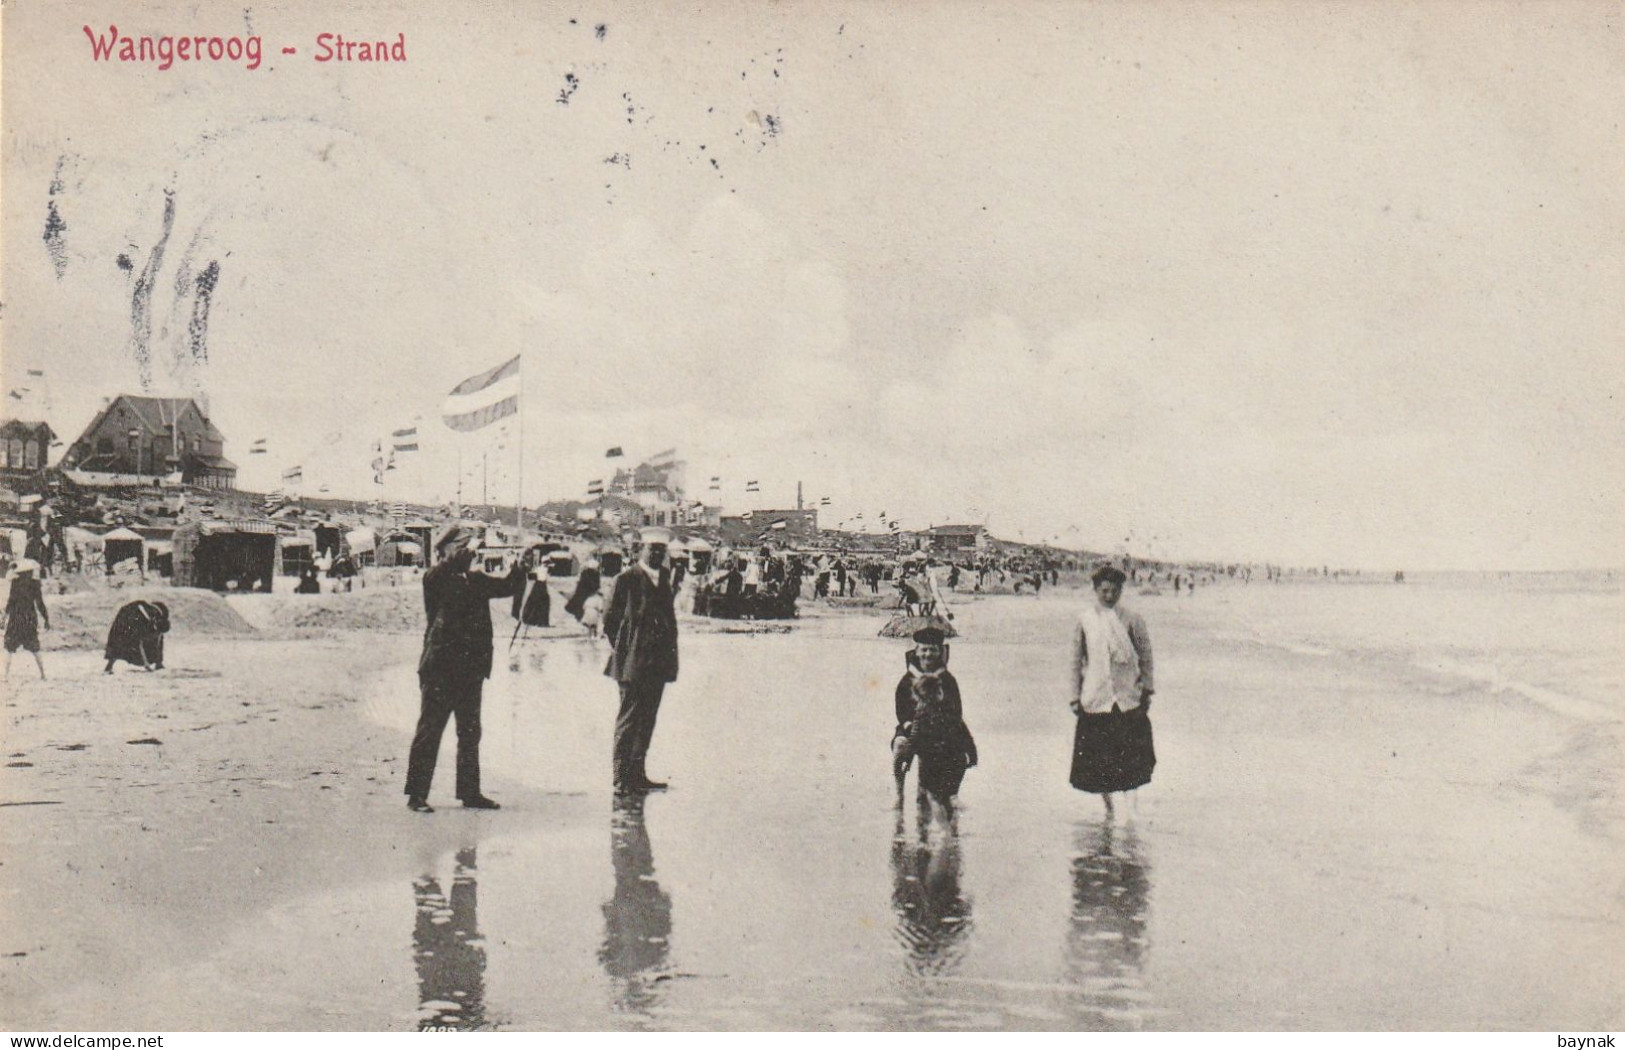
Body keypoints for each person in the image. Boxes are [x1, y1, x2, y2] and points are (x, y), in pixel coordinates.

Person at [404, 525, 520, 813]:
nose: (469, 551)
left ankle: (470, 792)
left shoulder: (476, 579)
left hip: (470, 671)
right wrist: (462, 554)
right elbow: (445, 570)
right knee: (430, 731)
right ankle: (416, 795)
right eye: (461, 546)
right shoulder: (435, 577)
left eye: (469, 546)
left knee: (470, 733)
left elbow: (507, 587)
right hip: (440, 669)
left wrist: (522, 567)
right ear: (444, 551)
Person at [1069, 565, 1155, 816]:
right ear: (1096, 590)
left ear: (1121, 591)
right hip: (1096, 698)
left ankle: (1131, 808)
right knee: (1099, 760)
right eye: (1104, 591)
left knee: (1131, 758)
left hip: (1127, 697)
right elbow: (1075, 660)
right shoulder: (1085, 620)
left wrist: (1147, 688)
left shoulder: (1132, 619)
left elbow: (1146, 656)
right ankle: (1109, 809)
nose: (1109, 596)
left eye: (1114, 591)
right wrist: (1074, 696)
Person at [603, 526, 680, 796]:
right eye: (652, 549)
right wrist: (625, 651)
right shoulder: (627, 579)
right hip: (632, 665)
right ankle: (621, 779)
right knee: (628, 721)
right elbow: (610, 620)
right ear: (641, 550)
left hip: (657, 665)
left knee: (647, 720)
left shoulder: (664, 579)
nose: (657, 554)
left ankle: (638, 775)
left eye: (662, 550)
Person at [891, 626, 977, 813]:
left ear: (939, 652)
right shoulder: (907, 679)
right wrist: (908, 724)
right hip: (913, 728)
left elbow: (956, 710)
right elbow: (901, 708)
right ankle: (898, 793)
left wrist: (945, 727)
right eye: (924, 649)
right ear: (917, 651)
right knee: (899, 745)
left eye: (932, 650)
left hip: (941, 730)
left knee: (959, 753)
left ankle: (953, 794)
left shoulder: (948, 680)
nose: (928, 654)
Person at [3, 560, 50, 679]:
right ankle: (43, 674)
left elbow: (11, 601)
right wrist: (46, 618)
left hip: (15, 617)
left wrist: (4, 616)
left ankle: (5, 675)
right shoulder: (35, 584)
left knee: (9, 647)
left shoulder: (15, 583)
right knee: (35, 646)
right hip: (30, 618)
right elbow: (40, 603)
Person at [104, 599, 169, 673]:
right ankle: (110, 664)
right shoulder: (144, 623)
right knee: (118, 639)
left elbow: (159, 639)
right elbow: (139, 642)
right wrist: (147, 666)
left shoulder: (159, 617)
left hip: (139, 613)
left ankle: (110, 664)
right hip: (126, 616)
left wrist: (159, 662)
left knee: (150, 641)